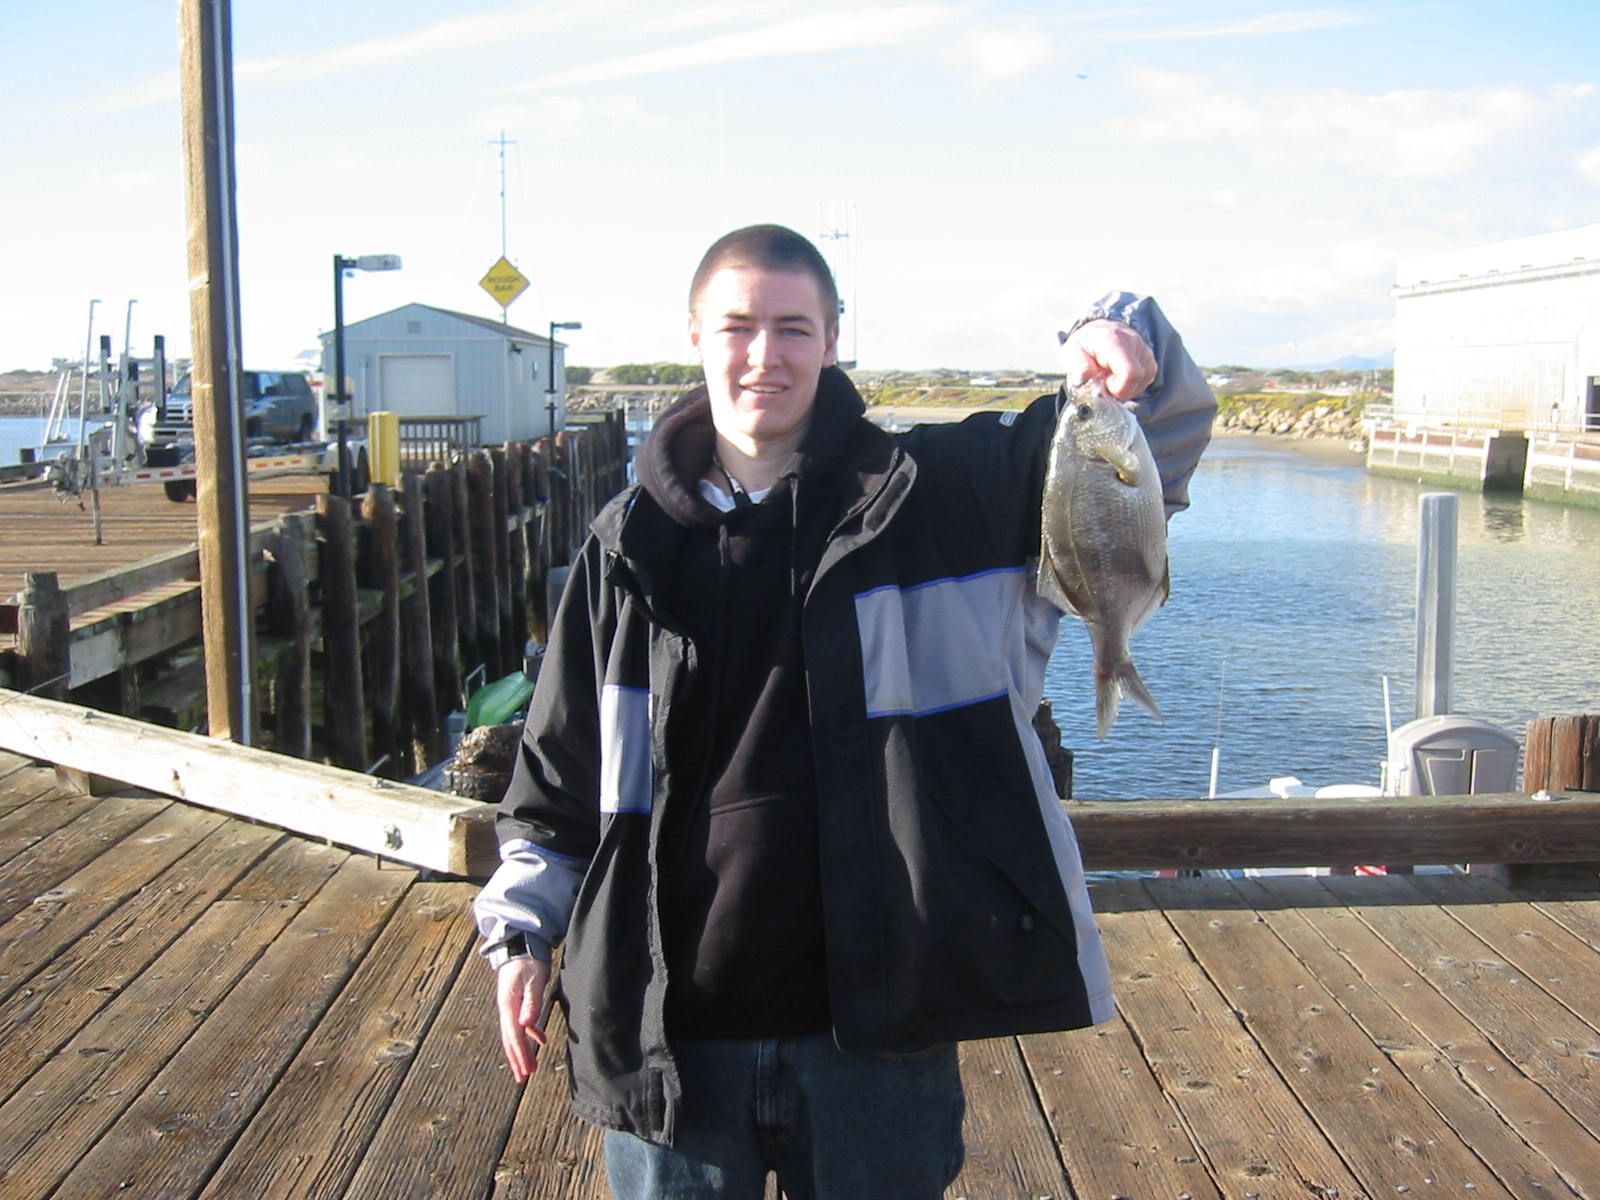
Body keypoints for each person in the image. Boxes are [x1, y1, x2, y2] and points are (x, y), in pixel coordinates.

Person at [473, 224, 1215, 1199]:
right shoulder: (626, 550)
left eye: (793, 327)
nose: (764, 355)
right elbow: (558, 783)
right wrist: (522, 937)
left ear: (831, 339)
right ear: (693, 333)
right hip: (670, 1035)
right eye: (738, 325)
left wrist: (1115, 333)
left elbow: (1147, 434)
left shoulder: (945, 496)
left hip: (880, 1033)